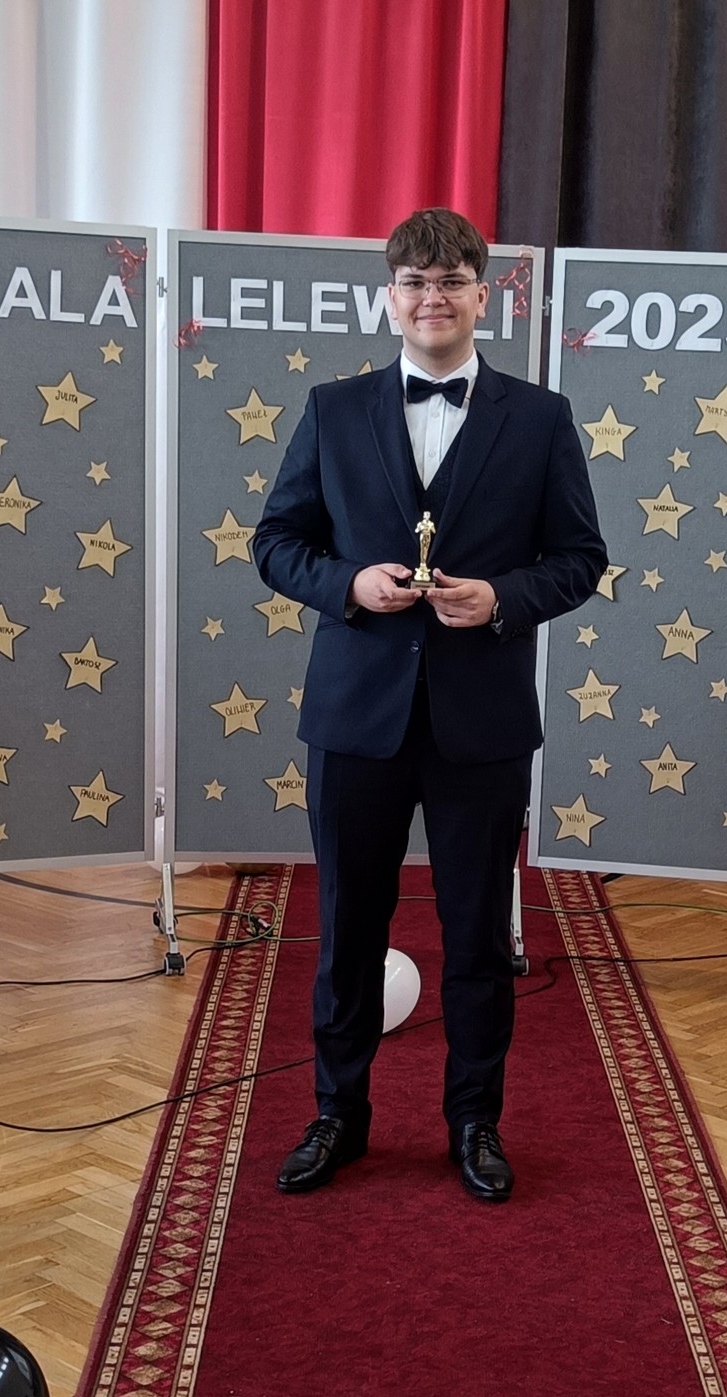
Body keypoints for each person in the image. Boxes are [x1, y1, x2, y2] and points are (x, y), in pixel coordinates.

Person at [253, 207, 606, 1202]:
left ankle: (474, 1123)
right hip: (355, 716)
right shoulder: (332, 408)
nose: (433, 297)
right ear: (390, 297)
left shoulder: (540, 418)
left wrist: (503, 599)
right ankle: (338, 1115)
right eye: (415, 281)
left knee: (479, 938)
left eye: (452, 281)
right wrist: (346, 585)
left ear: (483, 296)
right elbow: (276, 541)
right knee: (348, 931)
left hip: (480, 721)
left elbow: (581, 559)